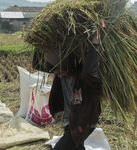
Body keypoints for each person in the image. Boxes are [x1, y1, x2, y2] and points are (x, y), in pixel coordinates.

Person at [48, 20, 106, 150]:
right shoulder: (60, 77)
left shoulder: (86, 80)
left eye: (60, 70)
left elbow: (90, 70)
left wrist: (95, 43)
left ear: (68, 64)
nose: (58, 74)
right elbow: (40, 62)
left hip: (84, 122)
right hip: (70, 121)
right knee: (77, 147)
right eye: (55, 71)